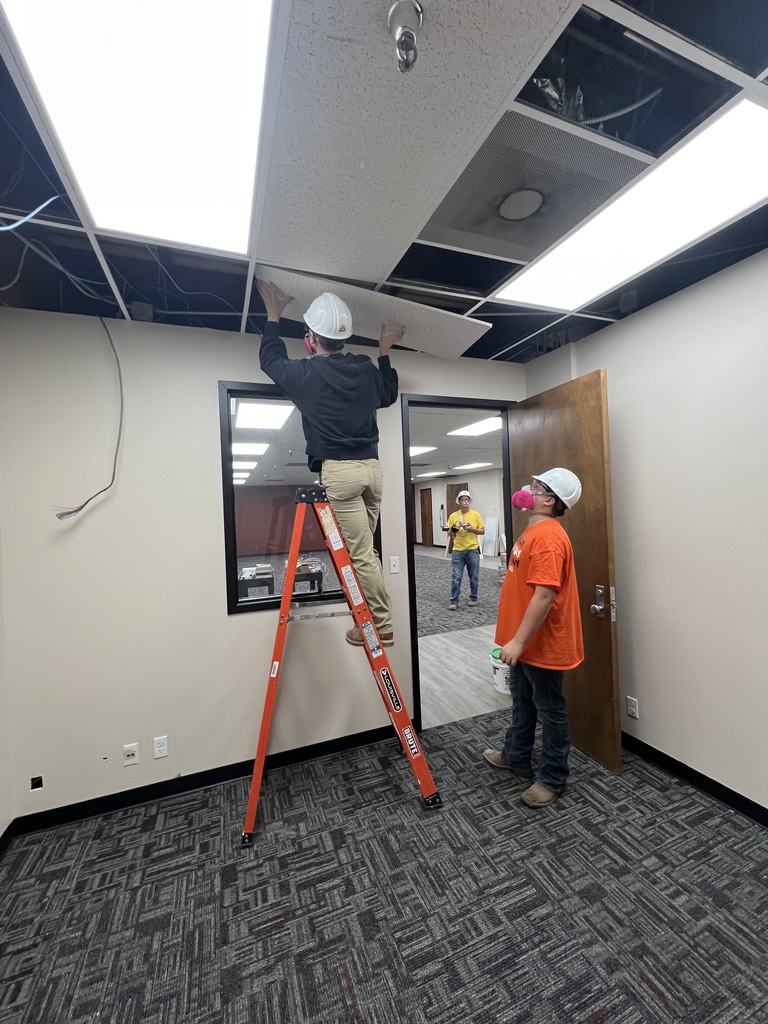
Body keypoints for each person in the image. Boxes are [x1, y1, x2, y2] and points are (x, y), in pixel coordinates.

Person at [256, 279, 404, 648]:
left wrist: (273, 316)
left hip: (341, 473)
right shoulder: (365, 368)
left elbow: (270, 361)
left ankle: (381, 625)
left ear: (311, 339)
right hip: (372, 470)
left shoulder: (306, 374)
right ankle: (366, 620)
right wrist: (384, 352)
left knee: (361, 555)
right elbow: (388, 393)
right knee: (365, 552)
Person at [482, 468, 584, 808]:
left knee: (550, 710)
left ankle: (553, 779)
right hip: (524, 642)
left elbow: (544, 595)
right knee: (522, 700)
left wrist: (518, 642)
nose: (527, 489)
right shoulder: (534, 530)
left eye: (536, 487)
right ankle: (516, 756)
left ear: (549, 500)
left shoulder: (549, 538)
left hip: (542, 644)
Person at [445, 490, 485, 610]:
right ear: (459, 502)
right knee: (456, 576)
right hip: (458, 550)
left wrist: (472, 529)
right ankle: (454, 600)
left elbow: (482, 531)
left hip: (472, 550)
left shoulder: (475, 515)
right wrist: (453, 530)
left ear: (469, 501)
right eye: (463, 500)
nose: (465, 502)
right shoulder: (453, 516)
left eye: (467, 500)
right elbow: (450, 534)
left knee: (474, 576)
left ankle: (473, 598)